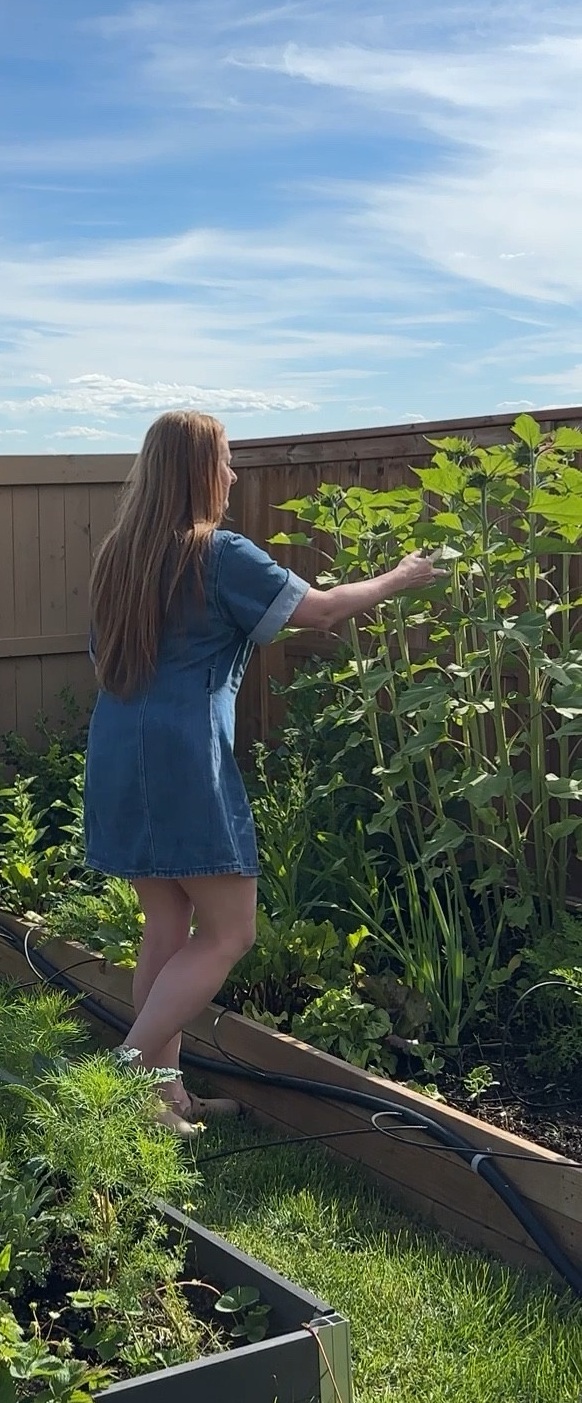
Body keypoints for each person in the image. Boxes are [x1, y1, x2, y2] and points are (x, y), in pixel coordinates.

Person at [84, 409, 440, 1134]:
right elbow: (319, 611)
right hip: (182, 757)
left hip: (120, 745)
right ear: (196, 471)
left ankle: (163, 1101)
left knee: (166, 924)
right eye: (225, 459)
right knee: (228, 934)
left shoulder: (119, 554)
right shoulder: (217, 553)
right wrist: (400, 577)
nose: (234, 473)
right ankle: (118, 1078)